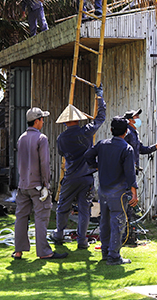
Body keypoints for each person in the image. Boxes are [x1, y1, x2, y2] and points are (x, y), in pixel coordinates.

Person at [51, 85, 106, 249]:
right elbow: (100, 118)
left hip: (71, 176)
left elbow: (62, 153)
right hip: (87, 177)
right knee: (84, 210)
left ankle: (59, 234)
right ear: (78, 119)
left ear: (65, 122)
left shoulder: (61, 138)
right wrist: (100, 97)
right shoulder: (86, 132)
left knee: (63, 207)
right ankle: (82, 241)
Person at [12, 107, 67, 260]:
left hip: (23, 185)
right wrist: (46, 185)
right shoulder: (41, 138)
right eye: (42, 119)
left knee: (21, 217)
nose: (43, 122)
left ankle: (18, 250)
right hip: (37, 185)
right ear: (36, 121)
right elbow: (44, 163)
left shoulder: (21, 138)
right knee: (41, 218)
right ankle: (44, 252)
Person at [84, 117, 138, 265]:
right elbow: (130, 173)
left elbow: (88, 155)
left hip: (103, 190)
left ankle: (105, 252)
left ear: (111, 130)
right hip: (118, 193)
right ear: (126, 132)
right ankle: (114, 256)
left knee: (104, 222)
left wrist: (96, 166)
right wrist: (134, 193)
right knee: (117, 223)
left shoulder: (102, 144)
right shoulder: (127, 149)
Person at [122, 108, 157, 245]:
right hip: (126, 173)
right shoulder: (127, 133)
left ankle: (129, 234)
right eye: (136, 116)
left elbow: (141, 149)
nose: (138, 119)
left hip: (132, 171)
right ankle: (126, 236)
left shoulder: (134, 133)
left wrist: (156, 146)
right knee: (128, 202)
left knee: (130, 204)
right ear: (130, 120)